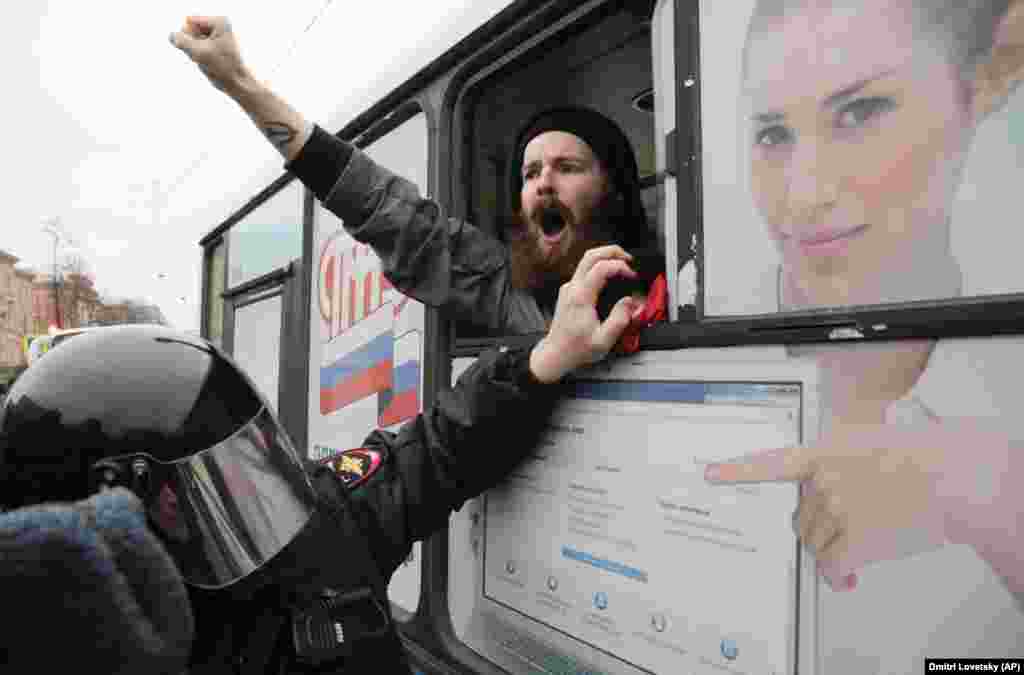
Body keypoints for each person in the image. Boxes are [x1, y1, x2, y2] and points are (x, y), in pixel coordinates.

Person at [0, 245, 645, 673]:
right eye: (199, 491)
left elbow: (434, 452)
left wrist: (545, 360)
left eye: (246, 466)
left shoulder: (312, 521)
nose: (248, 500)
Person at [705, 0, 1024, 670]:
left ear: (985, 85)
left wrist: (983, 499)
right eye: (772, 134)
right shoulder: (699, 342)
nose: (805, 193)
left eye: (859, 113)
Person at [168, 16, 665, 337]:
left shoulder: (676, 285)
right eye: (530, 172)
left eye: (568, 167)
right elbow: (397, 220)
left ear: (615, 188)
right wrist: (243, 88)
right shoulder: (510, 295)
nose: (543, 183)